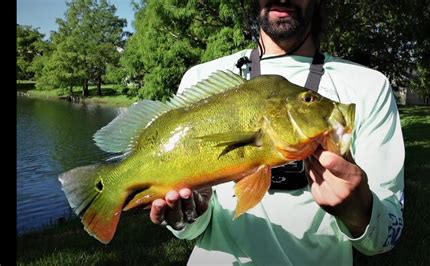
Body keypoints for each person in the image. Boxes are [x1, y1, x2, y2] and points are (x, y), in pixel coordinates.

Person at [149, 0, 405, 265]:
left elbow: (386, 237)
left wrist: (359, 212)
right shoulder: (203, 79)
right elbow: (192, 228)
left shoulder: (368, 87)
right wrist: (192, 215)